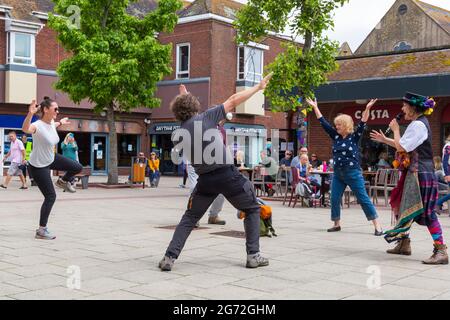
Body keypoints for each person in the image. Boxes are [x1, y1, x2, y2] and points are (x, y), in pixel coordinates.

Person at [158, 73, 272, 271]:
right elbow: (234, 100)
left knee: (190, 218)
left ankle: (169, 258)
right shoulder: (207, 117)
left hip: (205, 181)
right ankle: (253, 255)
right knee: (252, 208)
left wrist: (184, 98)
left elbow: (190, 120)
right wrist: (258, 88)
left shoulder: (178, 134)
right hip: (227, 175)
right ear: (195, 107)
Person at [370, 92, 447, 264]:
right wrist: (385, 139)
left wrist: (396, 129)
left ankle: (441, 250)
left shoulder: (419, 125)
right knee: (403, 206)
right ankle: (404, 243)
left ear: (412, 108)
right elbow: (402, 144)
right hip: (414, 172)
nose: (402, 109)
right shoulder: (415, 124)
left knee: (427, 212)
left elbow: (402, 146)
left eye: (405, 106)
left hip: (420, 172)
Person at [307, 97, 383, 235]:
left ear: (346, 125)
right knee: (334, 198)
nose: (336, 127)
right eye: (336, 125)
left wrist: (367, 108)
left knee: (363, 198)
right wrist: (315, 107)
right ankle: (336, 224)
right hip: (338, 173)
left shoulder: (354, 137)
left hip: (353, 172)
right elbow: (323, 122)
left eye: (339, 125)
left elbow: (363, 122)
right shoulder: (335, 136)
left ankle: (377, 225)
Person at [22, 97, 82, 240]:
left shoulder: (50, 124)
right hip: (38, 165)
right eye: (55, 109)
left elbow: (53, 125)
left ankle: (63, 181)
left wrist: (60, 122)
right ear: (45, 110)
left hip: (51, 157)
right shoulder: (37, 125)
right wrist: (30, 114)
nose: (58, 111)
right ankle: (41, 230)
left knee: (77, 167)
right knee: (50, 196)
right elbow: (25, 129)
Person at [436, 134, 450, 215]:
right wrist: (447, 174)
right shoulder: (448, 146)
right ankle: (438, 203)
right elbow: (445, 161)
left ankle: (438, 203)